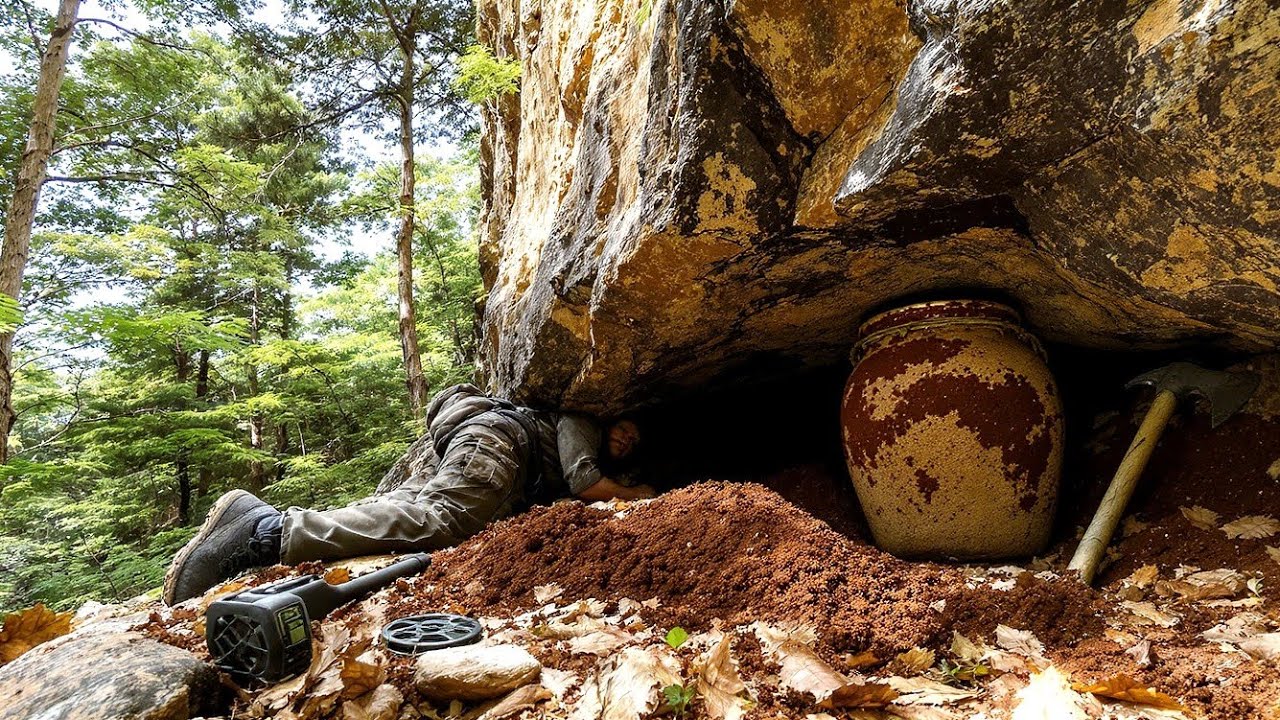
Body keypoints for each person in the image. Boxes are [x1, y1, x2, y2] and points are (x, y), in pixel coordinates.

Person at [162, 384, 653, 605]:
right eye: (626, 429)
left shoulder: (583, 439)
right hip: (500, 445)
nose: (626, 440)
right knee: (444, 521)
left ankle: (267, 521)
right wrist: (645, 494)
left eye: (633, 444)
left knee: (410, 509)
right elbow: (588, 484)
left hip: (492, 454)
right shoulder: (582, 422)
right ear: (612, 416)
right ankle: (263, 534)